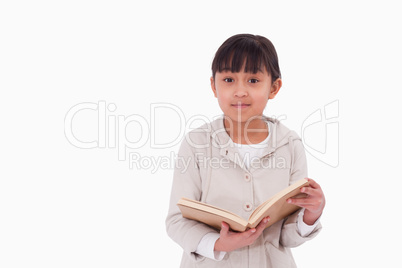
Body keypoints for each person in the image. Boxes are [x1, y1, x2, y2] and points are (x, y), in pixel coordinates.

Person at [166, 33, 325, 268]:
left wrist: (311, 215)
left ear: (274, 87)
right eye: (229, 80)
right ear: (214, 85)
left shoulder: (290, 144)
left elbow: (285, 237)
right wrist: (218, 243)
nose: (240, 91)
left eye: (253, 80)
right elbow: (176, 221)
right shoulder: (196, 143)